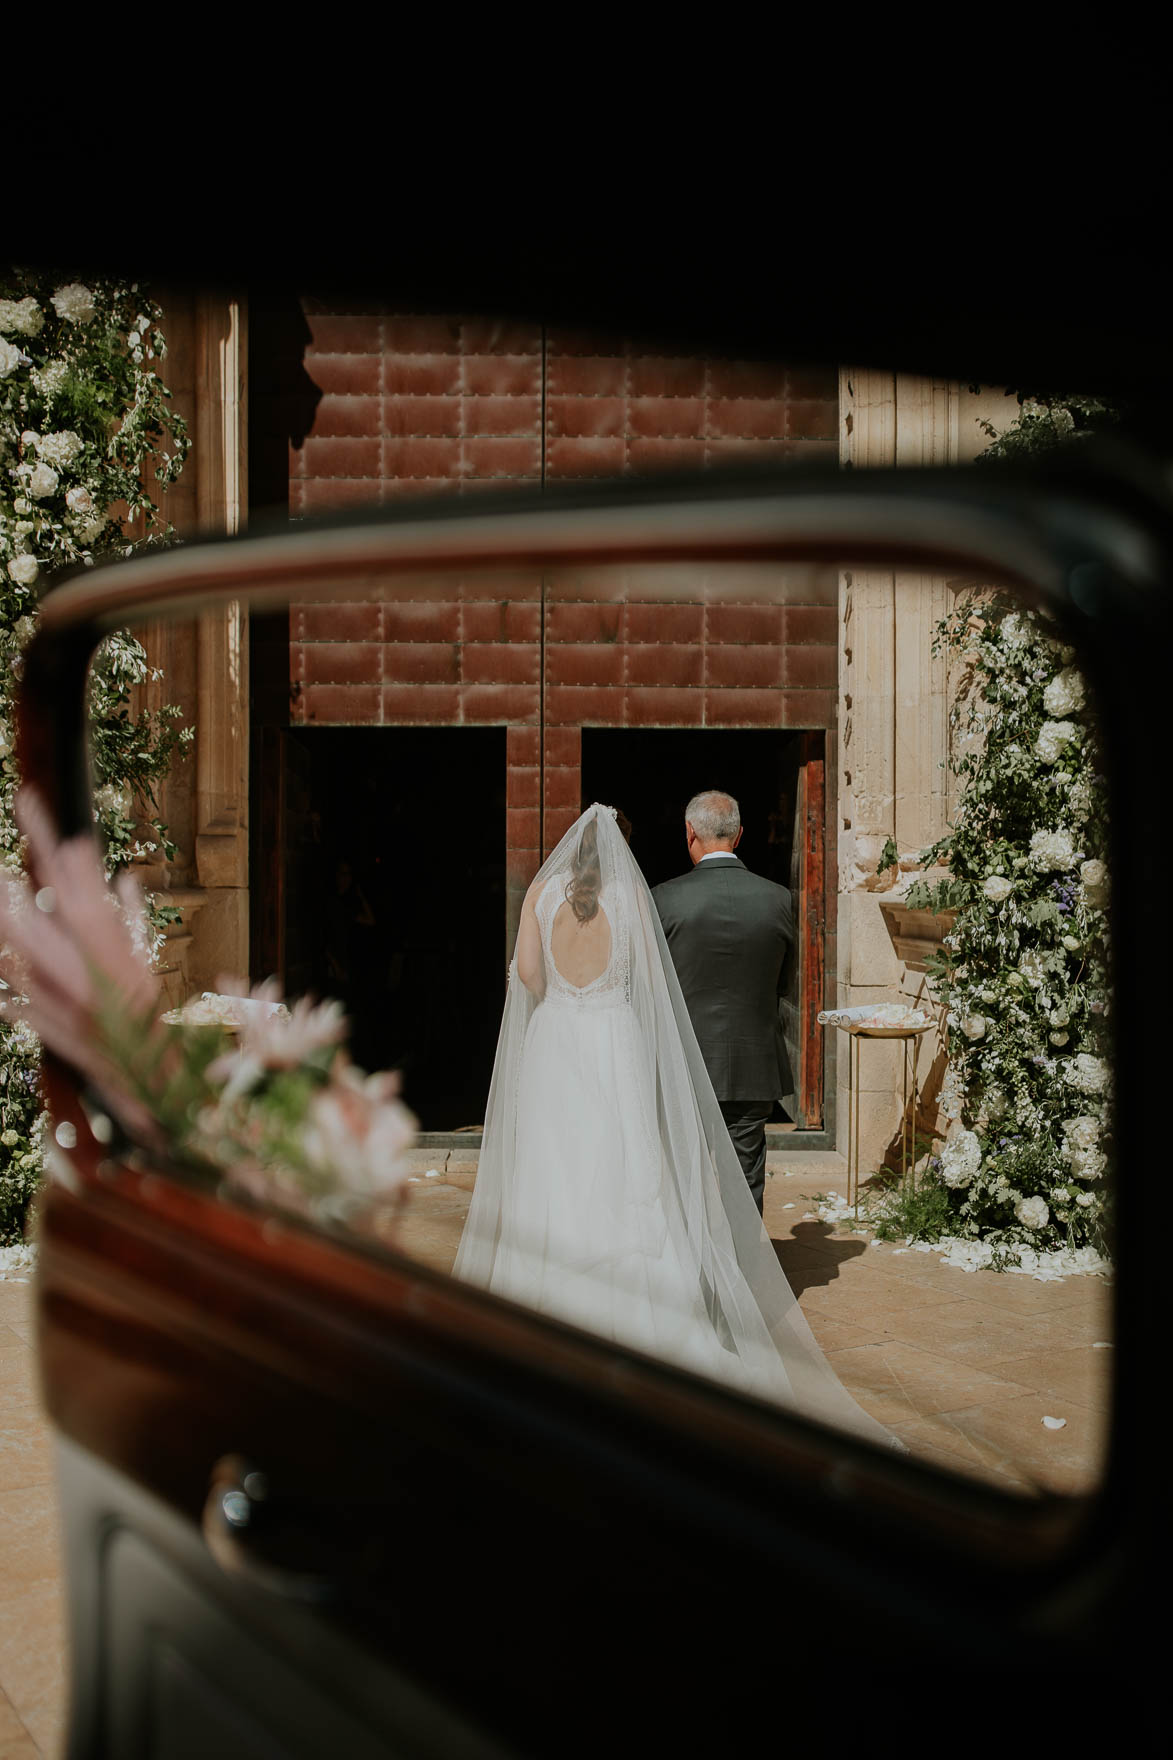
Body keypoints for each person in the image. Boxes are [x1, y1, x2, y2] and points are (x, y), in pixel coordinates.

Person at [453, 802, 896, 1450]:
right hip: (612, 1036)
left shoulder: (541, 894)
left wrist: (561, 987)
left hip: (555, 1042)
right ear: (621, 850)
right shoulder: (632, 895)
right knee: (632, 1170)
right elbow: (650, 985)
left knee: (552, 1168)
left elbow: (526, 976)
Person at [652, 790, 793, 1216]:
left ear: (689, 832)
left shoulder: (664, 898)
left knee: (684, 1172)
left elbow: (651, 983)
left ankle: (695, 1271)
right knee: (746, 1173)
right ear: (740, 835)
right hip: (753, 1059)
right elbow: (784, 983)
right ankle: (746, 1271)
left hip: (687, 1058)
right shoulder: (779, 898)